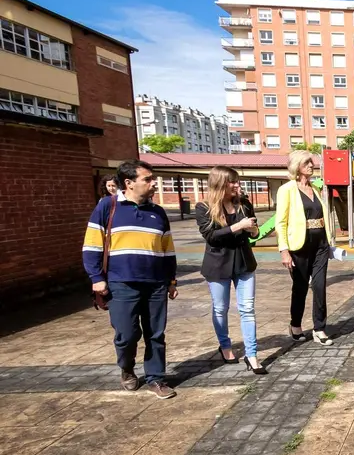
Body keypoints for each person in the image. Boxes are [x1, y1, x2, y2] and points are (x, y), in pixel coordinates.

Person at [83, 160, 178, 399]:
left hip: (155, 283)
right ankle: (127, 368)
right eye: (147, 179)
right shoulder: (108, 206)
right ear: (129, 183)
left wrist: (171, 280)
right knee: (126, 334)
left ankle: (156, 378)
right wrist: (96, 277)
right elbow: (92, 244)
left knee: (156, 334)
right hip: (120, 283)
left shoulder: (158, 212)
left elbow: (168, 250)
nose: (153, 183)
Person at [195, 166, 266, 374]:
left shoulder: (244, 204)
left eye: (237, 181)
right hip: (217, 266)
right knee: (220, 308)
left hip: (244, 264)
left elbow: (254, 233)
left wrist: (253, 229)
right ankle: (225, 346)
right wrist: (239, 226)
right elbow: (211, 236)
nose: (237, 185)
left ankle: (252, 355)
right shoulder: (203, 207)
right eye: (232, 182)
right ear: (220, 184)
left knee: (247, 309)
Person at [276, 150, 335, 346]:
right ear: (296, 167)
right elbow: (281, 222)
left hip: (320, 246)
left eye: (311, 162)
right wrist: (284, 250)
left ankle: (319, 328)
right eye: (306, 163)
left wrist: (329, 242)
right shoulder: (287, 190)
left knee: (319, 287)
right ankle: (295, 325)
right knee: (300, 288)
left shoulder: (316, 189)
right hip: (298, 247)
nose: (311, 165)